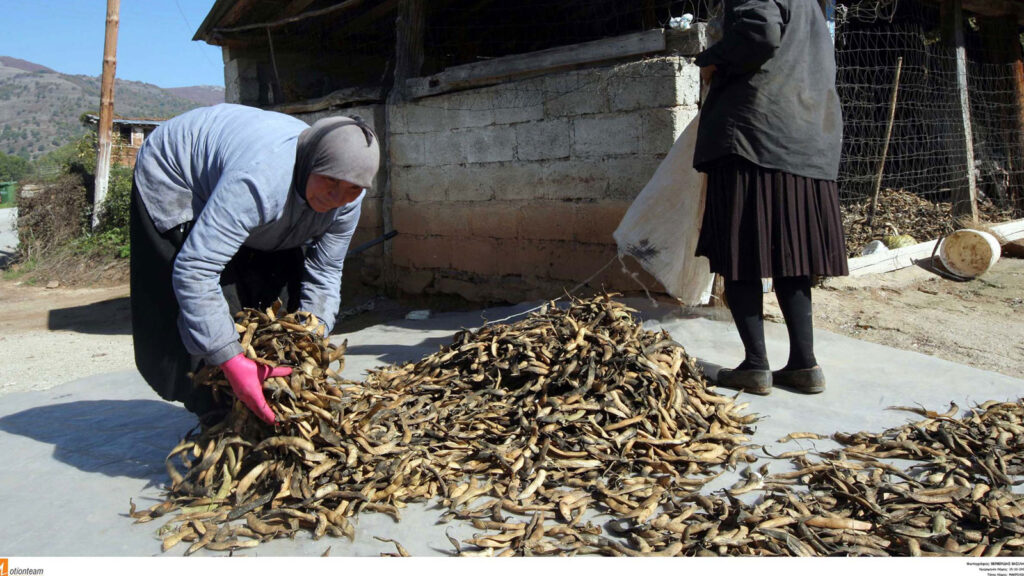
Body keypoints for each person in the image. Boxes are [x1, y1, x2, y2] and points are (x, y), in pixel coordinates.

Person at [130, 104, 380, 424]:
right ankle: (219, 412)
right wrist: (229, 358)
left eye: (352, 189)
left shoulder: (347, 199)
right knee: (209, 323)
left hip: (255, 187)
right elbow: (196, 269)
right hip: (178, 177)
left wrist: (312, 339)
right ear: (310, 164)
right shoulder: (259, 181)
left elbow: (325, 269)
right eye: (330, 181)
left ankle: (260, 397)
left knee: (277, 308)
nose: (337, 197)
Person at [692, 0, 847, 394]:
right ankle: (803, 365)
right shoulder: (812, 4)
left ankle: (755, 366)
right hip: (807, 137)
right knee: (791, 256)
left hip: (754, 134)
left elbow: (760, 33)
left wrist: (709, 59)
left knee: (740, 252)